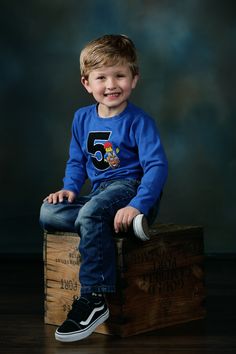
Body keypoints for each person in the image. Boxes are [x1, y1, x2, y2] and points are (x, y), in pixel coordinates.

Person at [39, 34, 168, 342]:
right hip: (99, 195)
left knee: (92, 212)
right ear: (87, 83)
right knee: (48, 212)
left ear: (134, 79)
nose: (111, 85)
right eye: (102, 78)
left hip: (130, 188)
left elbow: (156, 167)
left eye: (120, 75)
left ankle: (95, 297)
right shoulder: (82, 118)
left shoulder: (139, 121)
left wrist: (138, 203)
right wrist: (69, 188)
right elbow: (76, 160)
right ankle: (112, 224)